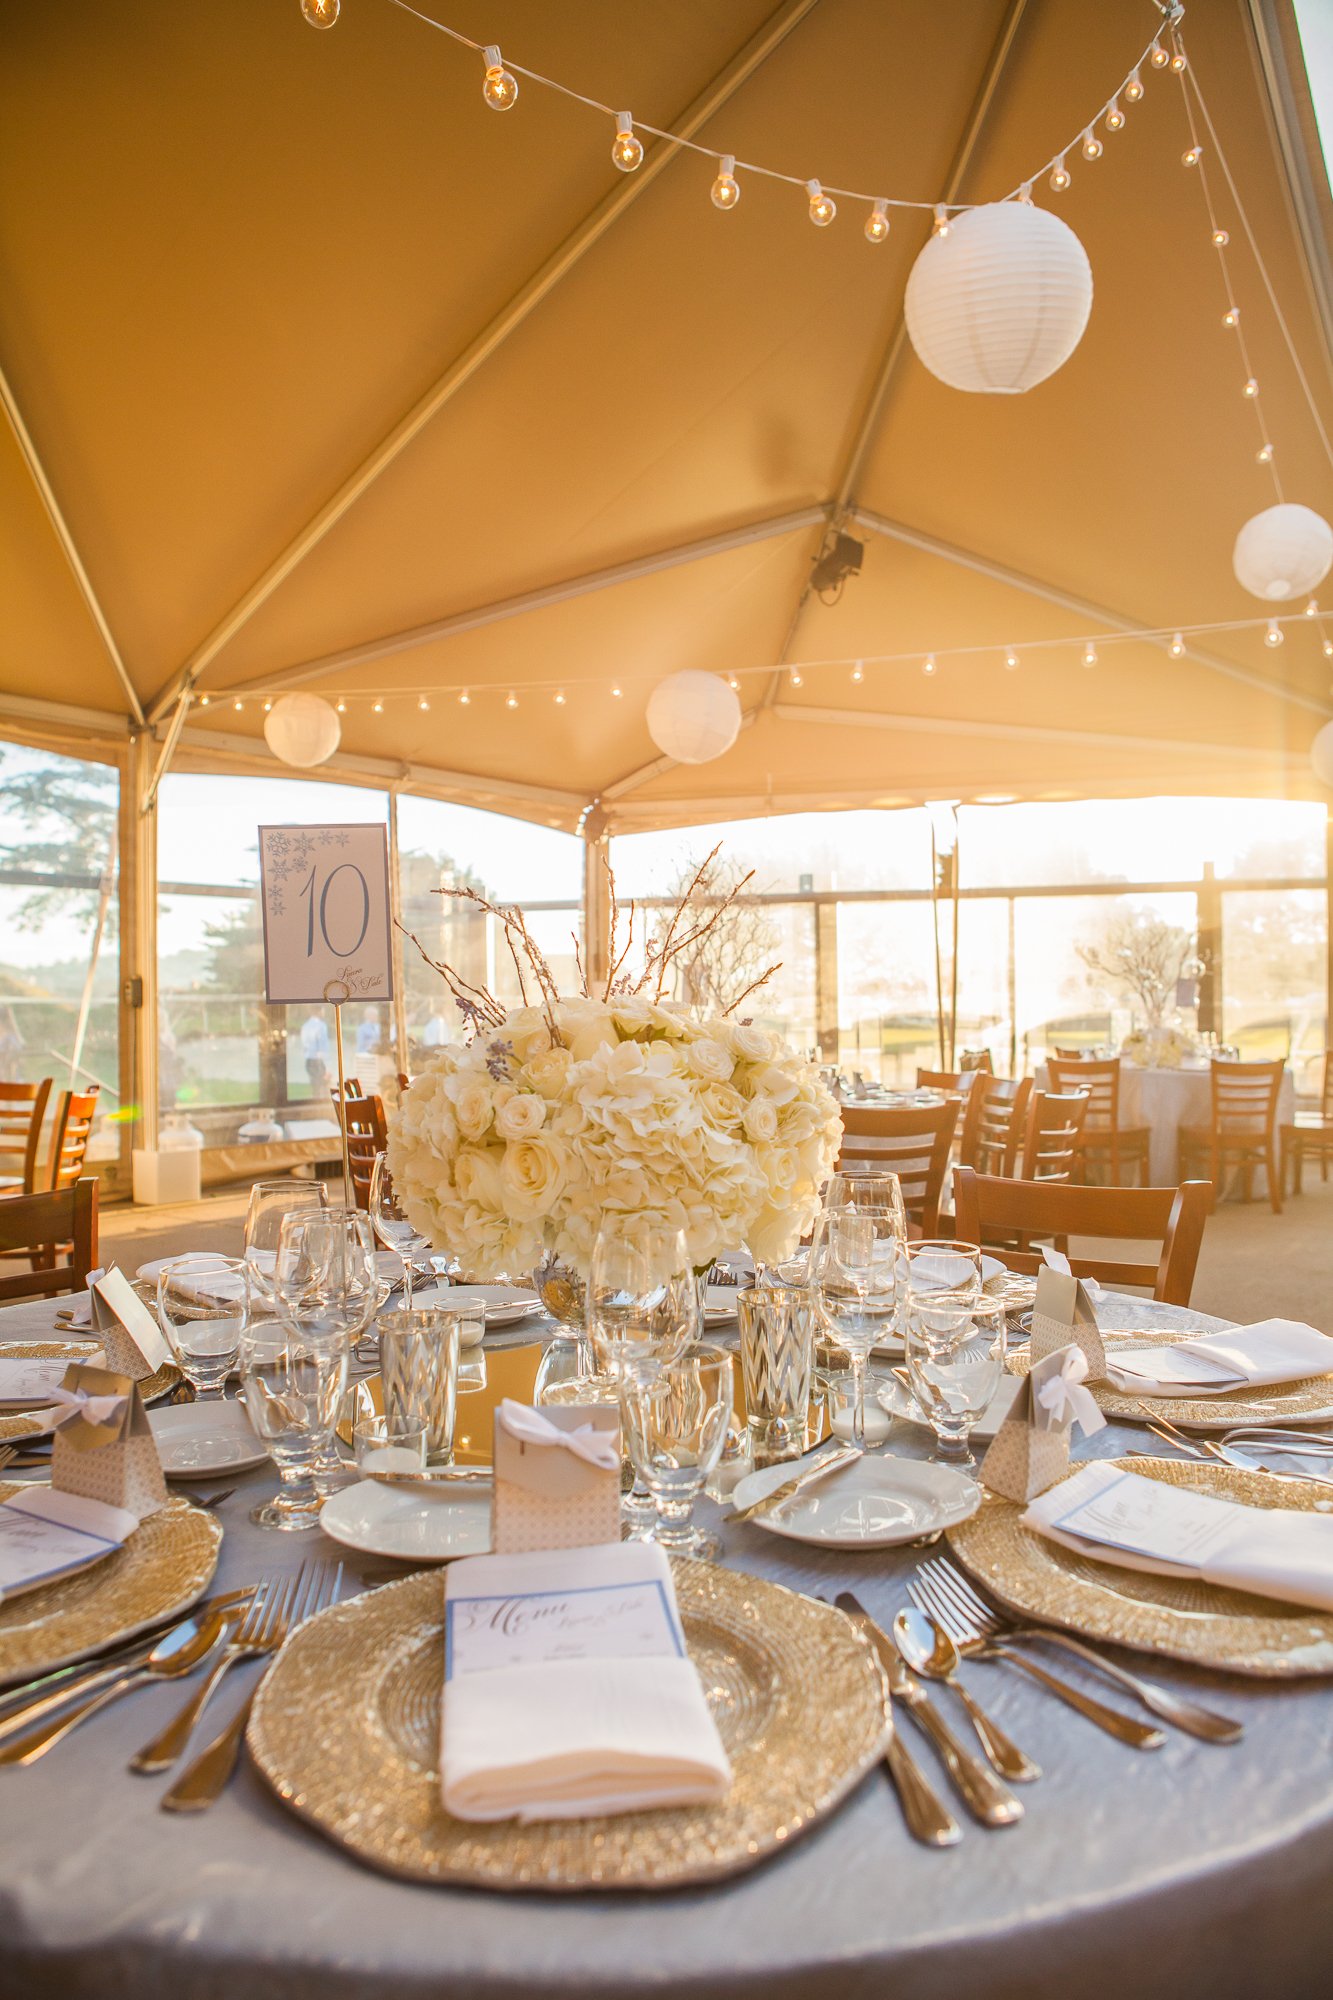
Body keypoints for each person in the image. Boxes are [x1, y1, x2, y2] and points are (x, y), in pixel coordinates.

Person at [300, 1009, 330, 1096]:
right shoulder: (321, 1026)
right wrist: (327, 1062)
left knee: (315, 1086)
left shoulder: (305, 1025)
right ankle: (322, 1105)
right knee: (323, 1084)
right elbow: (323, 1045)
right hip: (318, 1060)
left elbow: (304, 1044)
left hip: (309, 1059)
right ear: (319, 1011)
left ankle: (316, 1100)